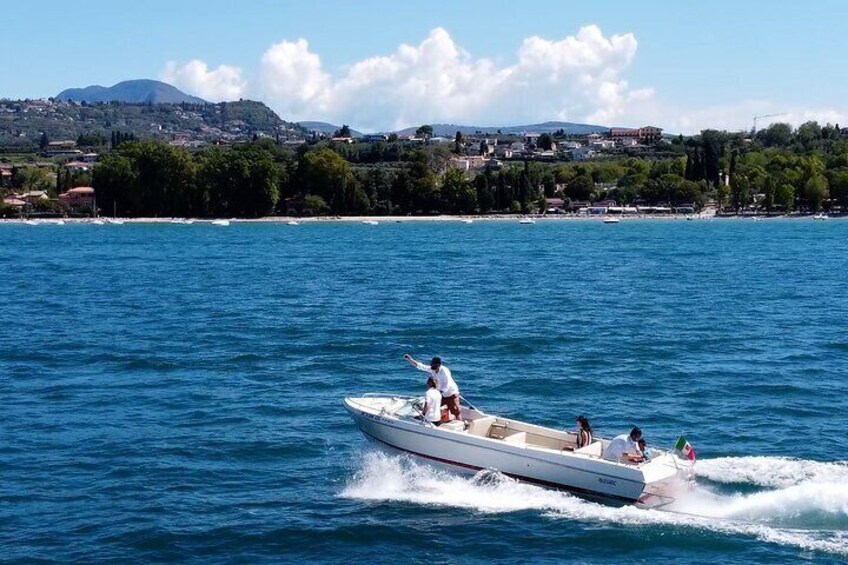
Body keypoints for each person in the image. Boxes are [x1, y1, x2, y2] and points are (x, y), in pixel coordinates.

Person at [403, 353, 461, 420]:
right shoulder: (433, 369)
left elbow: (448, 384)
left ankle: (461, 423)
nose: (431, 365)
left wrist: (438, 393)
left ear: (438, 365)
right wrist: (410, 359)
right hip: (441, 394)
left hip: (451, 393)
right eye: (431, 363)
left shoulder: (444, 371)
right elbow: (421, 366)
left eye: (432, 364)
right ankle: (440, 421)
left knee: (456, 411)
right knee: (435, 407)